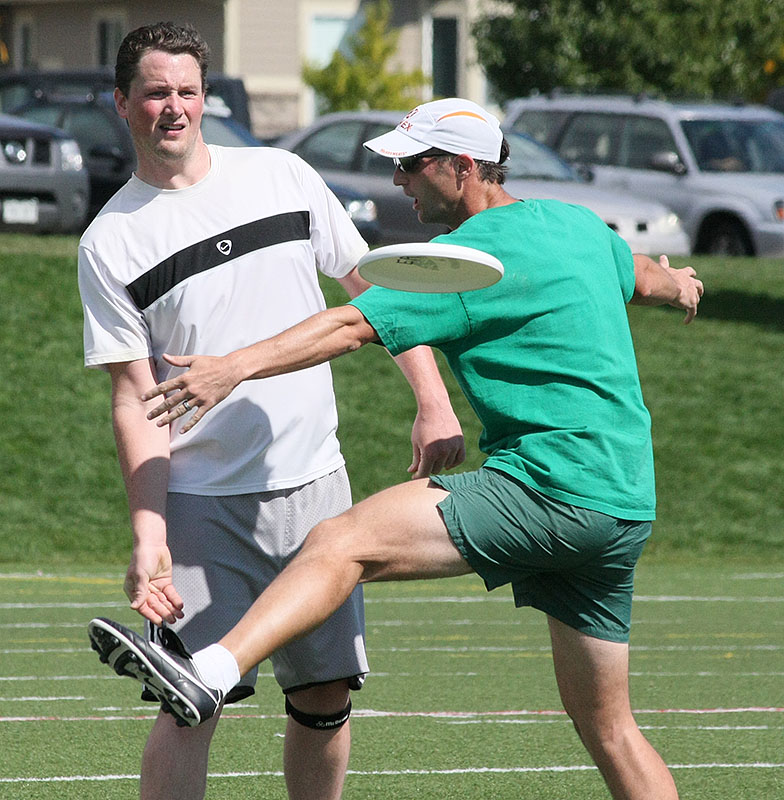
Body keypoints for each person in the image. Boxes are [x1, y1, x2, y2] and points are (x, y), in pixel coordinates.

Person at [89, 98, 704, 800]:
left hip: (548, 488)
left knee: (339, 541)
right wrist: (681, 285)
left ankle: (209, 674)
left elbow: (345, 326)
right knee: (610, 727)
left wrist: (231, 367)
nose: (399, 182)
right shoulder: (575, 224)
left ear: (464, 167)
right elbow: (643, 275)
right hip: (622, 506)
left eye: (412, 165)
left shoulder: (466, 265)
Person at [78, 26, 465, 800]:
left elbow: (376, 296)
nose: (173, 108)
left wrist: (432, 401)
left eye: (187, 90)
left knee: (324, 697)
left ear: (206, 96)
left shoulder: (282, 176)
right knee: (189, 699)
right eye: (156, 92)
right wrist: (148, 534)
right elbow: (134, 397)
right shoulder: (109, 241)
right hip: (199, 504)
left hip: (315, 485)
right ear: (123, 104)